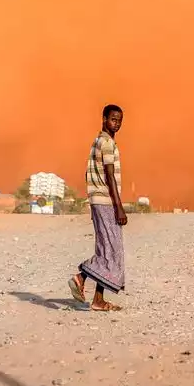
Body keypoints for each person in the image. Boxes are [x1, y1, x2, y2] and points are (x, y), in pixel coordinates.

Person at [69, 104, 127, 311]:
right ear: (103, 119)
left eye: (119, 120)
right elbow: (109, 175)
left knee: (107, 248)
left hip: (99, 201)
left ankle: (98, 300)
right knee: (112, 250)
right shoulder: (107, 143)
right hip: (106, 202)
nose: (116, 123)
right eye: (113, 119)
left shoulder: (97, 141)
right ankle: (81, 276)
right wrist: (119, 206)